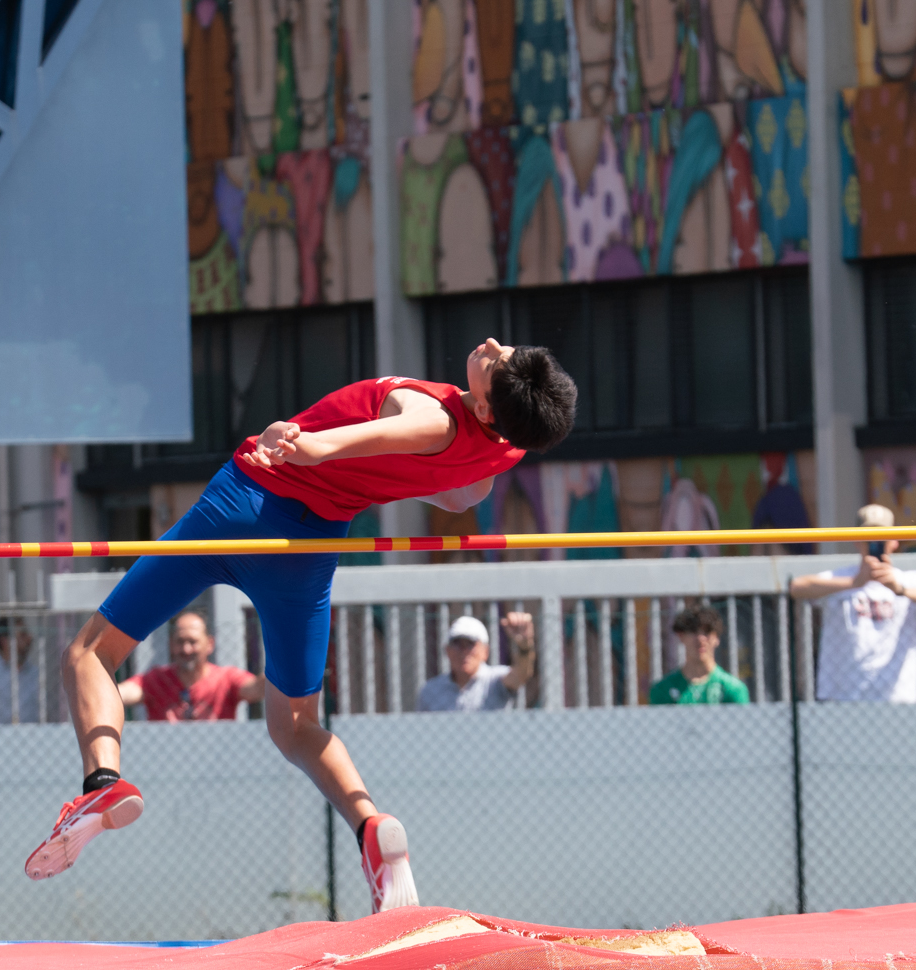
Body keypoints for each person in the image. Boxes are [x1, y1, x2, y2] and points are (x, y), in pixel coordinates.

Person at [41, 337, 576, 911]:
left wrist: (292, 438)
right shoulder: (505, 448)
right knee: (295, 724)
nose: (492, 345)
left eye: (497, 360)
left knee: (89, 654)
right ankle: (371, 827)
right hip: (307, 549)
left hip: (243, 506)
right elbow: (459, 496)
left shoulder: (434, 417)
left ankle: (102, 783)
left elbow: (339, 444)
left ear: (488, 407)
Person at [792, 505, 916, 703]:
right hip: (842, 697)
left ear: (894, 542)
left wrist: (900, 589)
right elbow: (797, 587)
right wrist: (853, 583)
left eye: (882, 537)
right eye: (868, 537)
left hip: (896, 696)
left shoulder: (906, 579)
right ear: (856, 540)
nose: (875, 544)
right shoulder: (841, 577)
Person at [120, 610, 257, 721]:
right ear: (171, 645)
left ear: (210, 644)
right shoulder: (157, 679)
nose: (186, 650)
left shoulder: (226, 678)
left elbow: (255, 689)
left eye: (193, 642)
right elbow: (123, 693)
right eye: (180, 642)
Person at [418, 611, 538, 712]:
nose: (464, 651)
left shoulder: (495, 680)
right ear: (447, 651)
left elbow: (522, 674)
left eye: (471, 644)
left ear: (485, 651)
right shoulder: (430, 691)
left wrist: (524, 646)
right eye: (457, 644)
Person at [648, 602, 750, 705]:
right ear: (681, 636)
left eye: (707, 632)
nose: (700, 639)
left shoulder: (733, 690)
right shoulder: (663, 690)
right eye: (693, 631)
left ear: (717, 638)